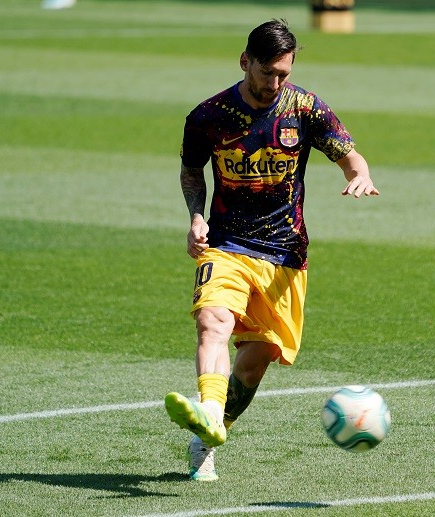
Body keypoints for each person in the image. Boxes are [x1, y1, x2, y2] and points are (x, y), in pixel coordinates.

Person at [164, 19, 379, 481]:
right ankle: (208, 409)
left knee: (255, 362)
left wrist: (358, 175)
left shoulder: (305, 108)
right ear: (245, 62)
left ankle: (208, 435)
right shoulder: (209, 116)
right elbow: (191, 172)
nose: (275, 83)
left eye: (284, 73)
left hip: (285, 252)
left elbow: (349, 155)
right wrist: (196, 217)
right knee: (213, 320)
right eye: (267, 72)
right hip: (226, 244)